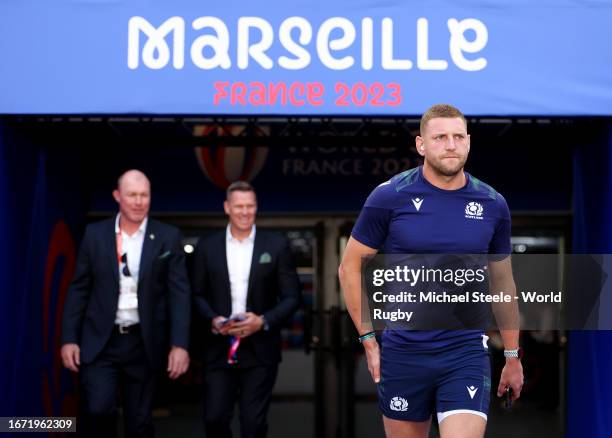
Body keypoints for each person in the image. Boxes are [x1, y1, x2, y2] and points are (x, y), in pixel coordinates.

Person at [339, 104, 524, 438]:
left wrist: (512, 355)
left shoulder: (493, 204)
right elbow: (349, 267)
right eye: (440, 137)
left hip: (465, 353)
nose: (450, 145)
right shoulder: (389, 196)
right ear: (421, 144)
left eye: (457, 137)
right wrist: (368, 340)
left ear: (468, 142)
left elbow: (503, 282)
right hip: (403, 353)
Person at [60, 169, 191, 438]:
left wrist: (180, 344)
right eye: (132, 195)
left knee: (140, 422)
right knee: (98, 410)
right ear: (117, 196)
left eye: (144, 195)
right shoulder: (94, 235)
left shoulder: (167, 236)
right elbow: (79, 289)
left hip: (143, 342)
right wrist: (69, 338)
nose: (139, 201)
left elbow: (179, 292)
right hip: (101, 341)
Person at [192, 181, 301, 438]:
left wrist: (262, 321)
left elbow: (291, 296)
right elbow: (195, 294)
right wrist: (212, 319)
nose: (244, 211)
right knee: (215, 419)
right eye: (239, 206)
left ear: (256, 207)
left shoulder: (275, 245)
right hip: (218, 348)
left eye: (250, 206)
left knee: (253, 425)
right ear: (227, 207)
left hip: (260, 350)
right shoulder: (207, 247)